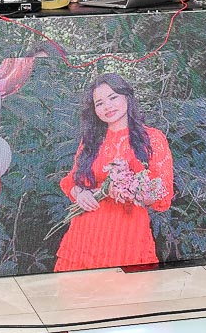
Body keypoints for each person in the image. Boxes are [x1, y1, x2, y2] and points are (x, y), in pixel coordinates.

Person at [55, 73, 174, 271]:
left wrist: (131, 191)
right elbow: (71, 180)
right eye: (99, 103)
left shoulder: (152, 138)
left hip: (126, 238)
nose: (107, 106)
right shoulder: (91, 140)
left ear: (127, 97)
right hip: (84, 235)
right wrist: (80, 193)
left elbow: (163, 194)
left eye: (113, 97)